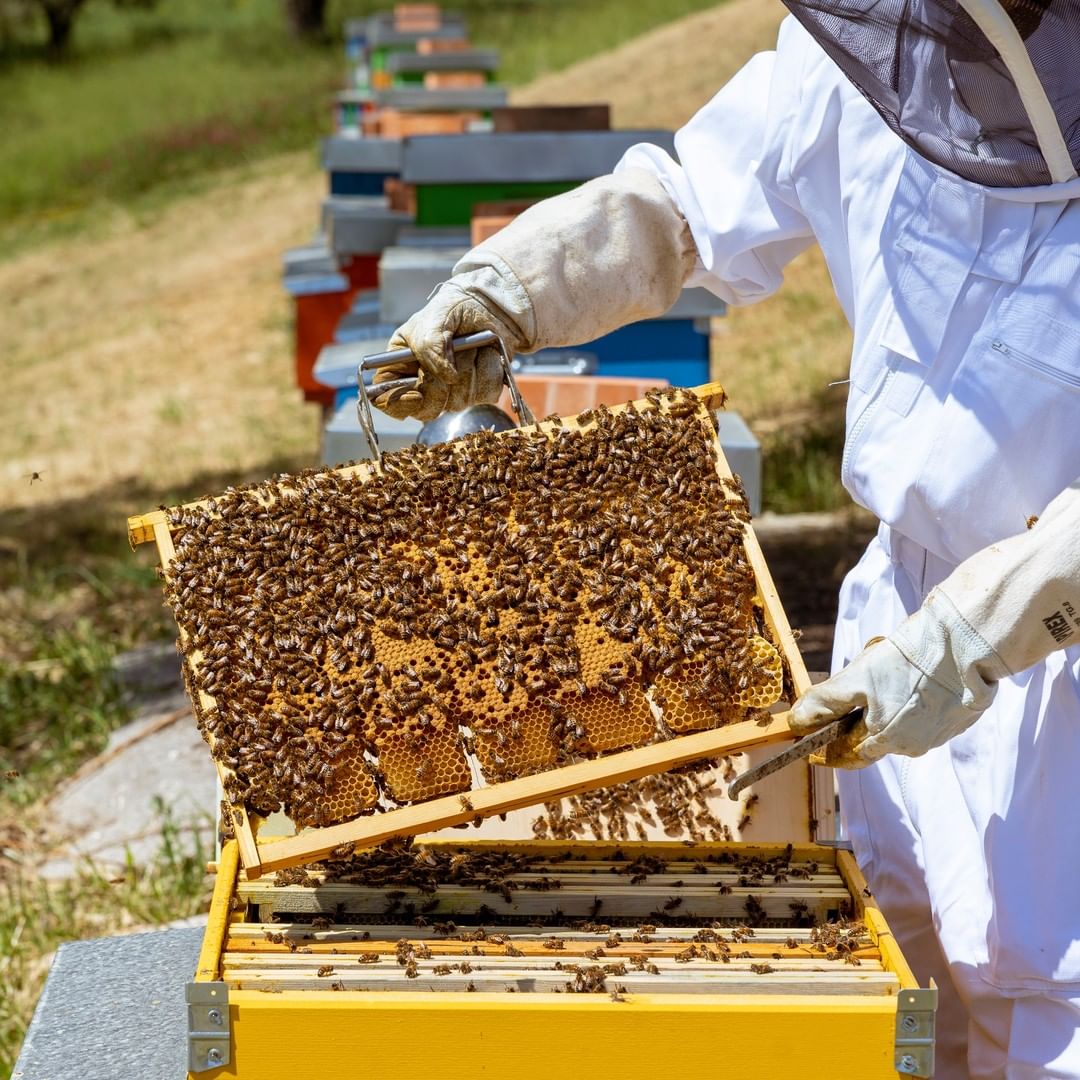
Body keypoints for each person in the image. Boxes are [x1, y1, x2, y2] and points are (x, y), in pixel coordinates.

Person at [372, 1, 1080, 1074]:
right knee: (895, 990)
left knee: (1042, 1021)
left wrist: (968, 643)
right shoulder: (875, 63)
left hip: (1052, 679)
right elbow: (685, 205)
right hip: (897, 627)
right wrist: (508, 295)